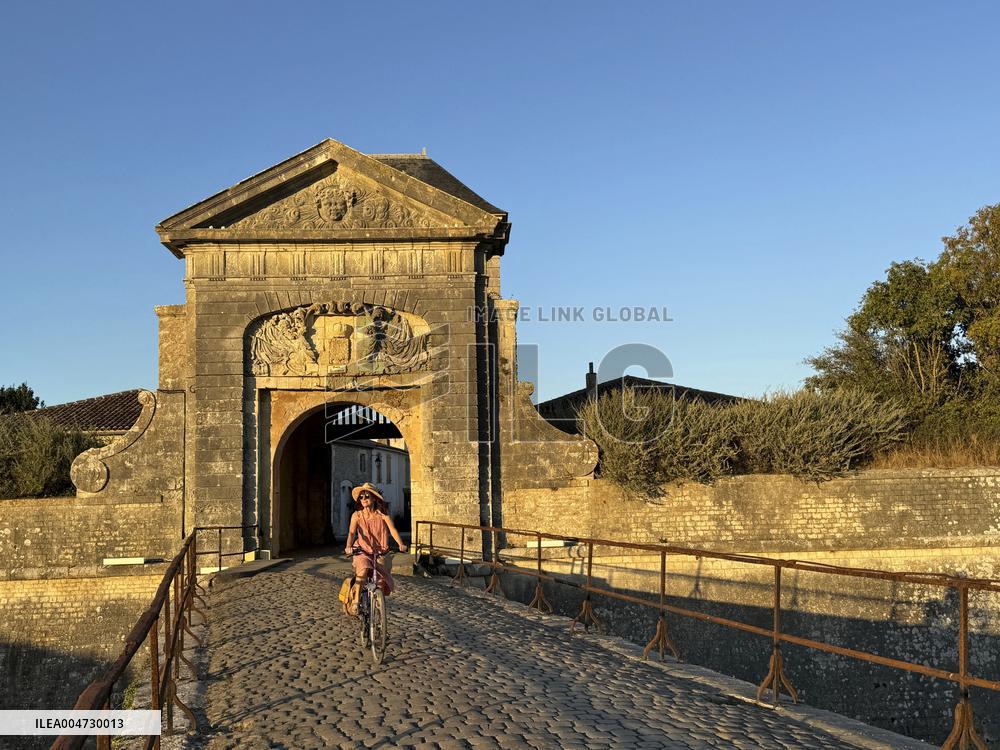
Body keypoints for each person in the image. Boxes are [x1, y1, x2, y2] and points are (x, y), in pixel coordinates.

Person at [344, 482, 407, 597]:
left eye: (367, 496)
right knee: (362, 572)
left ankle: (378, 605)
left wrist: (400, 544)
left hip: (380, 552)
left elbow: (392, 530)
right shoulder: (356, 515)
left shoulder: (383, 515)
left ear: (374, 498)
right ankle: (356, 601)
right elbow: (352, 533)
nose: (363, 499)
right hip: (362, 550)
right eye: (361, 497)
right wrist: (348, 546)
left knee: (381, 581)